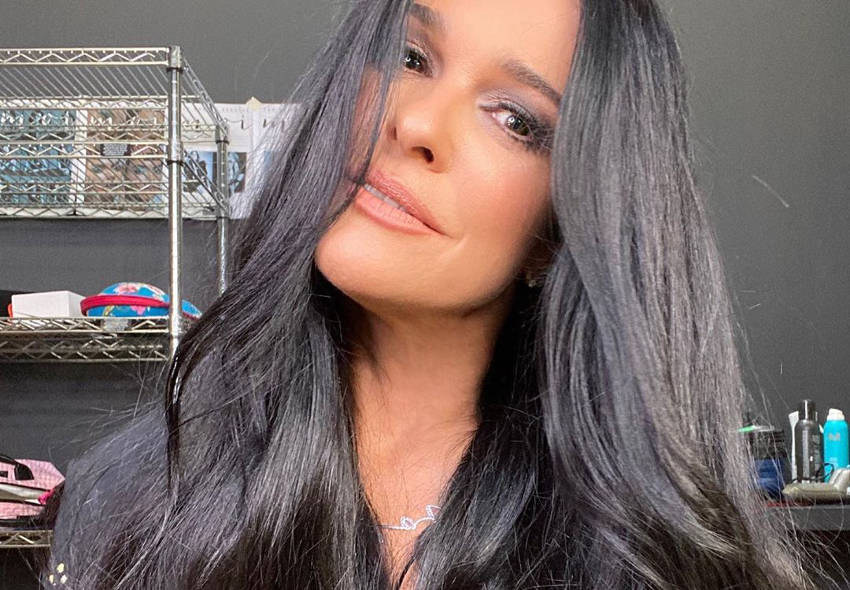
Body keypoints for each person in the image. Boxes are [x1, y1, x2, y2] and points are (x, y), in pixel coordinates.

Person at [44, 0, 834, 588]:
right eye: (410, 56)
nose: (417, 122)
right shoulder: (134, 498)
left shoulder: (641, 556)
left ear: (562, 225)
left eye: (515, 119)